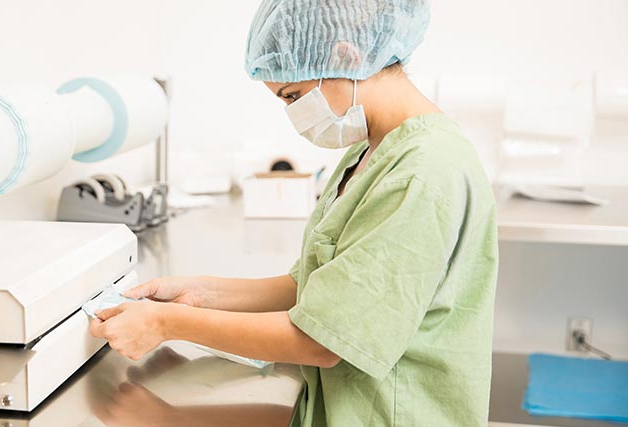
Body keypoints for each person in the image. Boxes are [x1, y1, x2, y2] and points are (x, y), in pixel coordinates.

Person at [89, 0, 499, 425]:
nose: (292, 115)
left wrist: (167, 323)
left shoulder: (423, 171)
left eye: (293, 95)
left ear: (346, 56)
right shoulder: (370, 149)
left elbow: (323, 341)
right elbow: (317, 289)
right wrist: (200, 294)